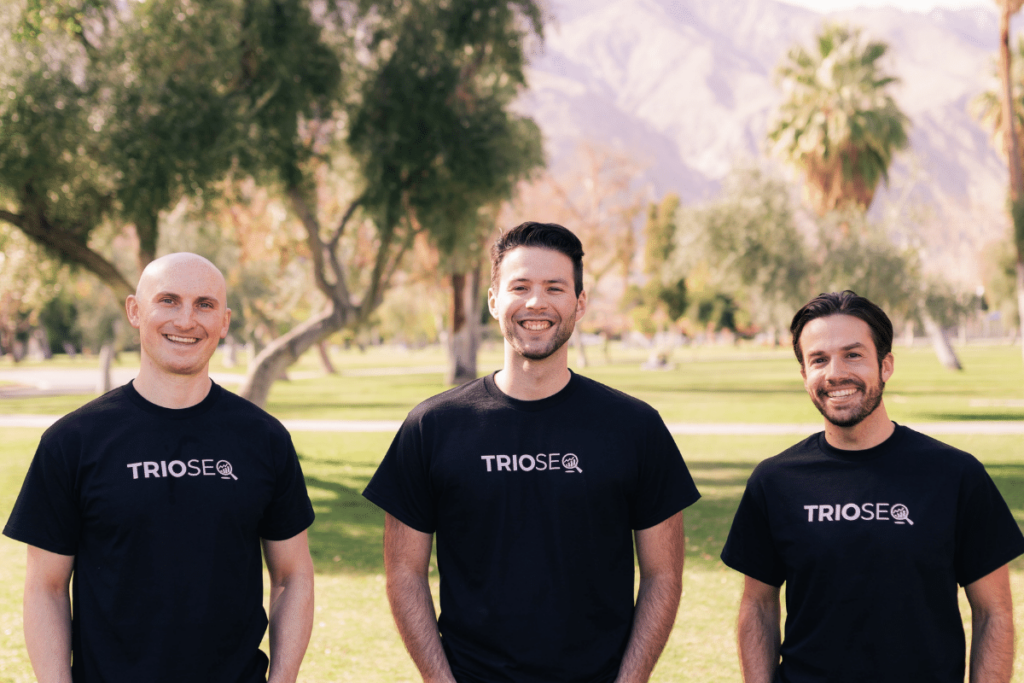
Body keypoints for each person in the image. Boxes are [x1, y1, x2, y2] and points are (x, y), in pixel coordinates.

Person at [363, 222, 700, 683]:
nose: (536, 302)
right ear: (493, 301)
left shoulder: (636, 427)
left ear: (580, 303)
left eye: (554, 288)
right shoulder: (432, 427)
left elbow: (664, 575)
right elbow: (404, 573)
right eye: (520, 287)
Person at [3, 253, 315, 683]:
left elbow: (292, 575)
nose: (186, 320)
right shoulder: (72, 441)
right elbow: (45, 588)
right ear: (135, 311)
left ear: (224, 321)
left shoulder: (264, 438)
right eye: (168, 300)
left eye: (204, 305)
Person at [721, 290, 1024, 683]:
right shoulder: (775, 481)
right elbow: (758, 608)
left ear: (885, 365)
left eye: (853, 355)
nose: (835, 373)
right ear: (804, 374)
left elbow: (994, 612)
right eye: (818, 359)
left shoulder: (956, 475)